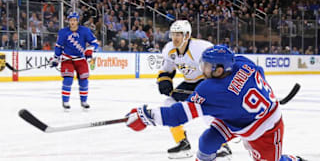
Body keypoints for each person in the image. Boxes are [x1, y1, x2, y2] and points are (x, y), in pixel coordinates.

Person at [126, 45, 307, 161]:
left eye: (206, 66)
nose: (202, 68)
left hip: (265, 127)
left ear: (219, 70)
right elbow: (259, 74)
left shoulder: (210, 89)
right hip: (235, 118)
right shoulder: (243, 62)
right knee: (207, 141)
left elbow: (177, 115)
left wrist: (145, 116)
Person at [156, 20, 231, 159]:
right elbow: (167, 69)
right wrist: (164, 81)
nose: (175, 38)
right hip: (189, 83)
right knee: (169, 103)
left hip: (207, 82)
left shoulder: (201, 48)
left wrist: (219, 87)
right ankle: (182, 143)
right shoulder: (169, 49)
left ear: (187, 35)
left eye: (179, 34)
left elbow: (221, 65)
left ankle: (222, 146)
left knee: (207, 111)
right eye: (173, 34)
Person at [50, 12, 98, 110]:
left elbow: (94, 43)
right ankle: (66, 101)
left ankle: (84, 101)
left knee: (84, 81)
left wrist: (89, 51)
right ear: (68, 21)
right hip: (67, 59)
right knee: (68, 79)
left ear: (77, 21)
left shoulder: (85, 31)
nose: (73, 22)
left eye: (74, 20)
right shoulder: (63, 32)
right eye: (71, 20)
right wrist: (56, 58)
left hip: (80, 59)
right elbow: (58, 46)